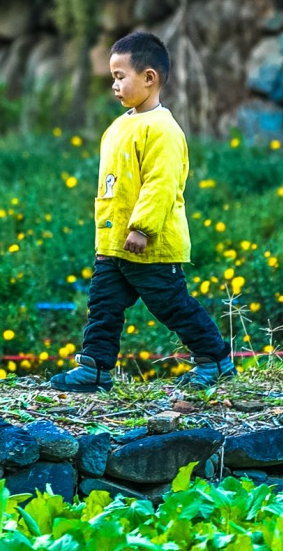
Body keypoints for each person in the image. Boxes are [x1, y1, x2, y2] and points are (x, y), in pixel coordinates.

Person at [50, 31, 235, 393]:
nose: (115, 86)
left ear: (149, 78)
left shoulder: (162, 129)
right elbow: (112, 188)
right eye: (113, 78)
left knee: (171, 305)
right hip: (115, 244)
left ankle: (214, 360)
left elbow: (161, 184)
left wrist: (142, 228)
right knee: (103, 306)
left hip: (149, 244)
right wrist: (105, 238)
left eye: (120, 77)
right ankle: (96, 369)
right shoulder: (120, 125)